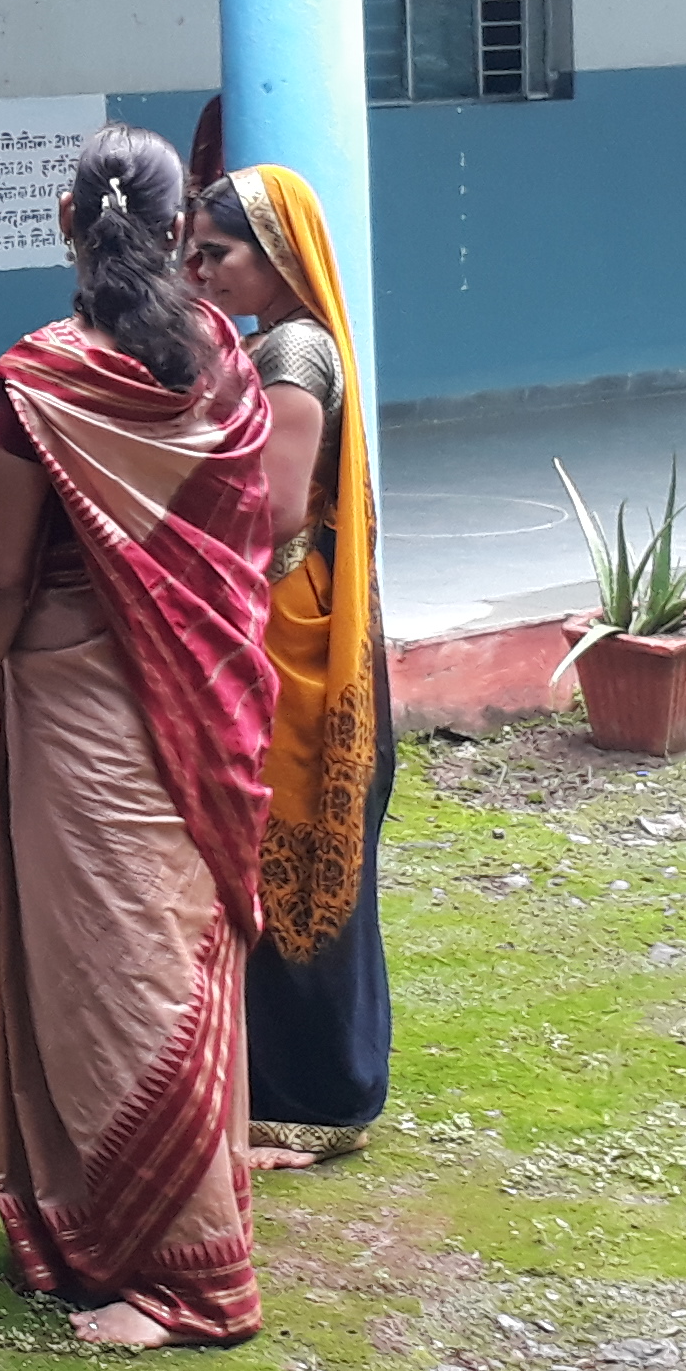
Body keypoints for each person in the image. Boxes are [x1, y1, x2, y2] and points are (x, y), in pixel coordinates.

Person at [0, 122, 276, 1348]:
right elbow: (245, 545)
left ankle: (194, 1282)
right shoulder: (227, 361)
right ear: (181, 230)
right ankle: (120, 1209)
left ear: (67, 224)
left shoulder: (44, 378)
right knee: (167, 948)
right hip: (204, 702)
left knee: (118, 967)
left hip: (81, 703)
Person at [186, 163, 393, 1168]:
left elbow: (269, 513)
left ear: (274, 254)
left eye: (217, 253)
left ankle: (320, 1100)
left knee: (304, 857)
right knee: (268, 855)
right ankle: (272, 1081)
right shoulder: (265, 343)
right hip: (279, 620)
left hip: (290, 630)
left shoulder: (294, 352)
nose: (200, 270)